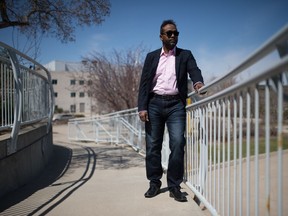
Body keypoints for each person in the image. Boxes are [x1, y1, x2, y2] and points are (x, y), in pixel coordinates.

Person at [138, 19, 204, 202]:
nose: (173, 36)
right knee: (153, 146)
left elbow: (194, 70)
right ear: (161, 36)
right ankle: (154, 182)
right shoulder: (152, 57)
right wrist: (142, 107)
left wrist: (198, 82)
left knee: (177, 143)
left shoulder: (185, 55)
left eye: (176, 33)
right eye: (169, 33)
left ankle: (174, 185)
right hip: (154, 104)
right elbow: (144, 84)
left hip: (176, 105)